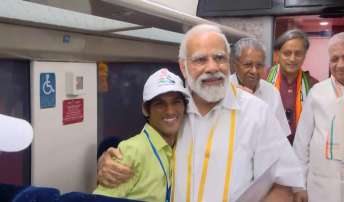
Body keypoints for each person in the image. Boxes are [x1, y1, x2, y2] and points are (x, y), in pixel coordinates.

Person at [97, 24, 304, 202]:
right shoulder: (174, 112)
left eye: (219, 58)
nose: (212, 67)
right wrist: (109, 159)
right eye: (200, 60)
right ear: (184, 67)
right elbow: (141, 149)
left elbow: (284, 185)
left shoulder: (256, 112)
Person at [93, 68, 189, 201]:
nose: (170, 111)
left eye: (176, 102)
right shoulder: (131, 151)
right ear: (146, 110)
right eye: (160, 104)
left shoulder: (185, 144)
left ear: (185, 107)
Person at [293, 32, 344, 202]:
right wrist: (299, 185)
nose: (340, 64)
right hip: (321, 186)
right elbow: (301, 142)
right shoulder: (317, 92)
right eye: (334, 59)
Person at [230, 38, 290, 136]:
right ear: (235, 65)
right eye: (248, 65)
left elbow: (281, 135)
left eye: (259, 66)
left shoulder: (272, 93)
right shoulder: (224, 91)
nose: (254, 71)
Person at [267, 29, 318, 144]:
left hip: (300, 152)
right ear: (277, 55)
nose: (292, 59)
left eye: (298, 53)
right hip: (267, 149)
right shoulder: (262, 79)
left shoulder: (314, 86)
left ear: (305, 56)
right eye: (287, 53)